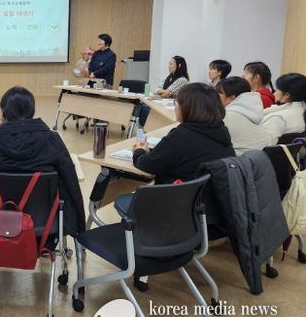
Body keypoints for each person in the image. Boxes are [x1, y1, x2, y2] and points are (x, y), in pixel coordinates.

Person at [0, 86, 85, 239]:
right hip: (43, 226)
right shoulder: (52, 140)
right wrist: (80, 225)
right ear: (32, 112)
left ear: (3, 112)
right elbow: (70, 180)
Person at [119, 83, 235, 215]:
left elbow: (148, 164)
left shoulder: (182, 135)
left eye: (177, 103)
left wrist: (139, 151)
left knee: (123, 200)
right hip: (212, 209)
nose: (175, 108)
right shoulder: (221, 130)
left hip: (178, 209)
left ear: (188, 108)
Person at [216, 77, 272, 155]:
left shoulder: (226, 116)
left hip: (240, 159)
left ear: (231, 98)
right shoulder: (253, 111)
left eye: (218, 93)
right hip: (262, 158)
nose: (214, 97)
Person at [261, 73, 306, 144]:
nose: (274, 93)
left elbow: (263, 145)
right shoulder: (302, 111)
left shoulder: (277, 118)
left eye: (277, 90)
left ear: (286, 95)